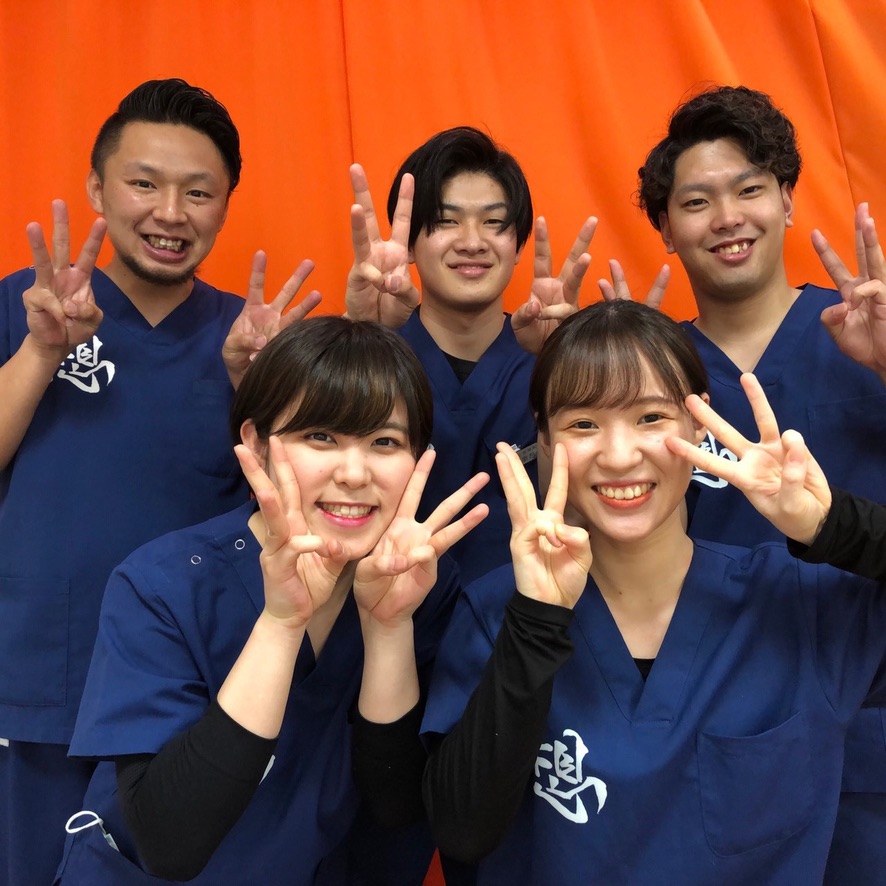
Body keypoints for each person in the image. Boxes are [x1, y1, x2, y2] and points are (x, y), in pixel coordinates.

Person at [415, 299, 886, 884]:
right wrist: (535, 621)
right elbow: (462, 833)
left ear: (699, 423)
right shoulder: (494, 614)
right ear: (544, 437)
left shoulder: (798, 602)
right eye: (583, 424)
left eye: (651, 418)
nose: (619, 457)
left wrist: (831, 524)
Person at [0, 78, 317, 885]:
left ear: (225, 205)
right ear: (97, 188)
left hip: (193, 695)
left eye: (198, 192)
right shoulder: (23, 308)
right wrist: (41, 351)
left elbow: (305, 507)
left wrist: (254, 385)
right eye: (144, 183)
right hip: (39, 680)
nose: (171, 212)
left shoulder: (251, 338)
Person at [54, 316, 487, 884]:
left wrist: (388, 628)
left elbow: (395, 807)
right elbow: (171, 844)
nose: (354, 473)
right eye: (321, 436)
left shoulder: (420, 584)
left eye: (385, 442)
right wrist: (282, 623)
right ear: (256, 444)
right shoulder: (165, 584)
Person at [637, 84, 886, 884]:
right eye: (696, 202)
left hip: (867, 724)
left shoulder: (866, 334)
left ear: (786, 198)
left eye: (748, 189)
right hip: (706, 726)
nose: (727, 217)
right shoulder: (651, 375)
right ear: (665, 229)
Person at [345, 126, 596, 584]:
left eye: (494, 222)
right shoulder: (371, 359)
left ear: (518, 246)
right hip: (382, 611)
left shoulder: (553, 364)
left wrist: (574, 359)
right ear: (409, 245)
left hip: (531, 612)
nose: (472, 241)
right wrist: (356, 338)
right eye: (446, 221)